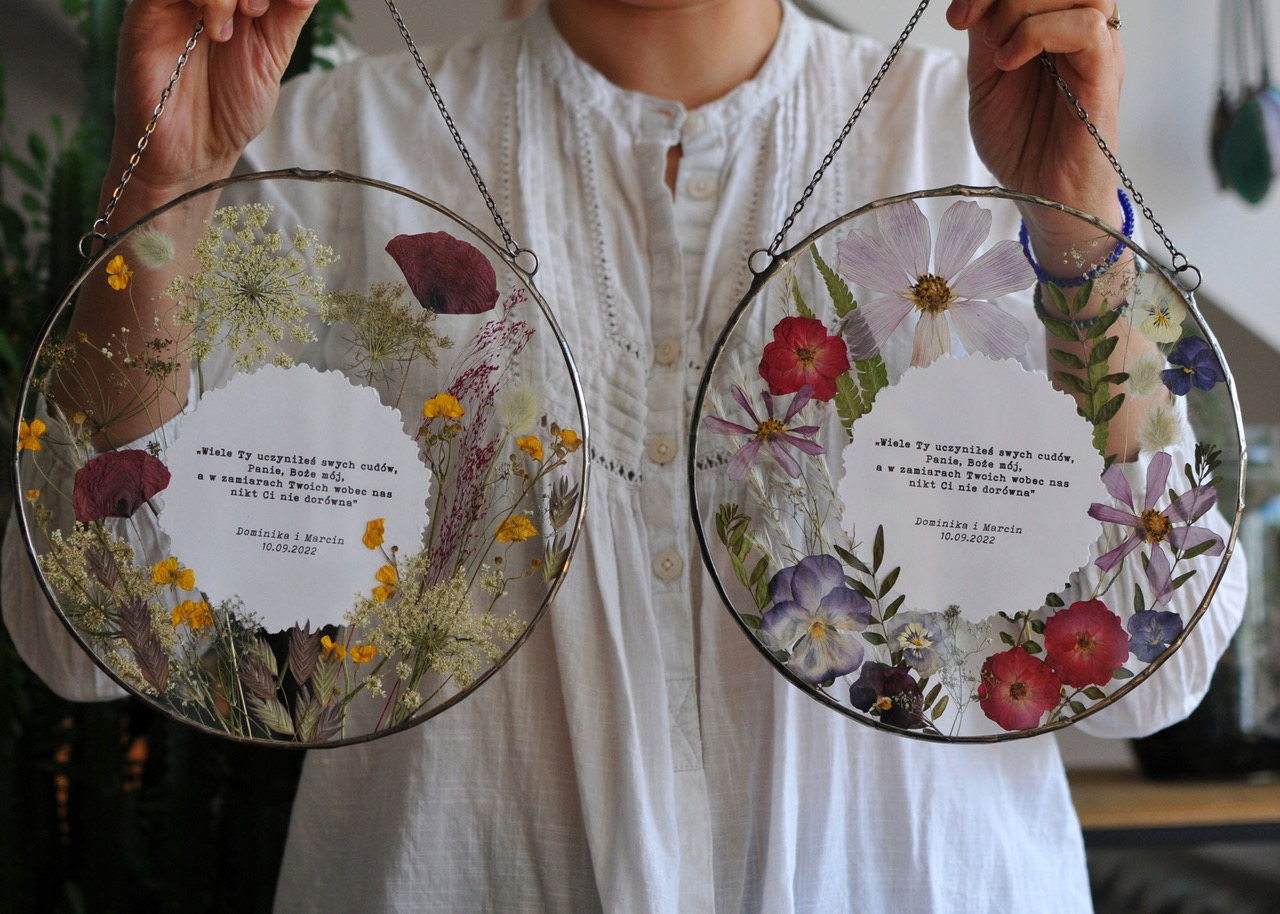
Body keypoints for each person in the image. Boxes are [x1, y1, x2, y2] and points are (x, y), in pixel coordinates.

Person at [1, 1, 1246, 911]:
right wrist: (160, 196)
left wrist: (1076, 230)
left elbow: (1160, 669)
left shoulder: (980, 144)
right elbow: (85, 635)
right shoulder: (326, 149)